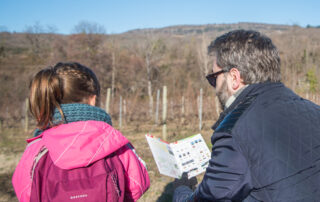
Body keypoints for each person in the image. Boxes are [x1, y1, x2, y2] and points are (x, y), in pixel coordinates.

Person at [173, 30, 320, 201]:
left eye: (214, 78)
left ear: (234, 78)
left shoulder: (235, 132)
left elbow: (208, 198)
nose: (214, 87)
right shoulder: (313, 110)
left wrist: (181, 190)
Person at [12, 62, 150, 202]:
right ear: (92, 99)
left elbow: (24, 192)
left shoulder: (36, 148)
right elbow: (139, 184)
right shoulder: (113, 142)